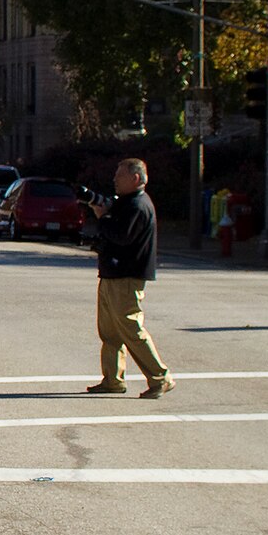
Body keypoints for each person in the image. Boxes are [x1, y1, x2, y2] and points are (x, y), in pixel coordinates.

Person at [83, 157, 172, 398]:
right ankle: (113, 379)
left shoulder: (138, 205)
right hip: (113, 274)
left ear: (135, 178)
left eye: (119, 175)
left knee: (131, 328)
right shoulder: (126, 203)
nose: (114, 179)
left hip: (126, 276)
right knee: (110, 332)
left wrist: (103, 217)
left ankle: (160, 377)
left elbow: (122, 237)